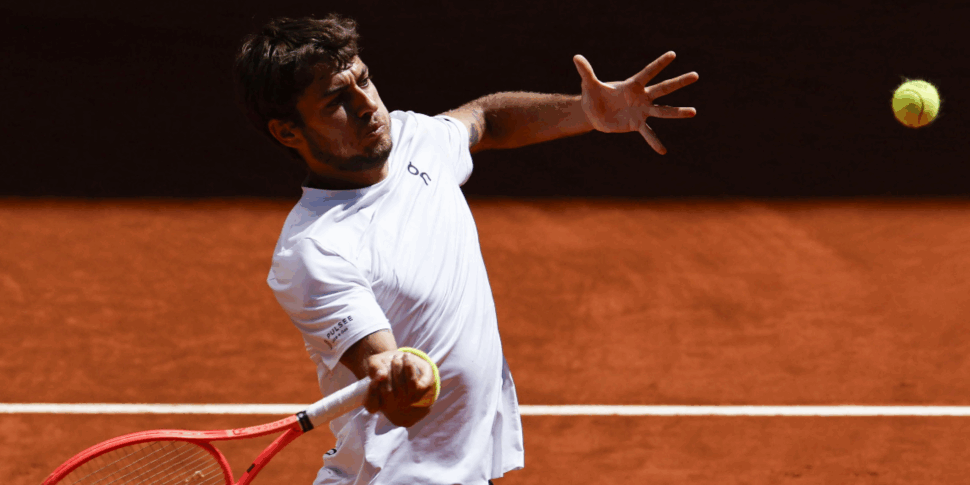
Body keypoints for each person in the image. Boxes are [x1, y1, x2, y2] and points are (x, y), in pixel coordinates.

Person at [233, 13, 698, 485]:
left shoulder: (414, 140)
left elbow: (487, 120)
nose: (367, 104)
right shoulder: (315, 251)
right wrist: (402, 378)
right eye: (336, 100)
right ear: (288, 132)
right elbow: (393, 387)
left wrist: (585, 112)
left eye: (364, 80)